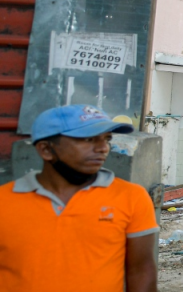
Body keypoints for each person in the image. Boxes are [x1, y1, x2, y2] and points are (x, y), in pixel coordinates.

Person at [0, 105, 157, 292]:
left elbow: (141, 270)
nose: (103, 148)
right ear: (46, 150)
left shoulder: (131, 197)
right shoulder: (5, 201)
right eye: (89, 139)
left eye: (106, 139)